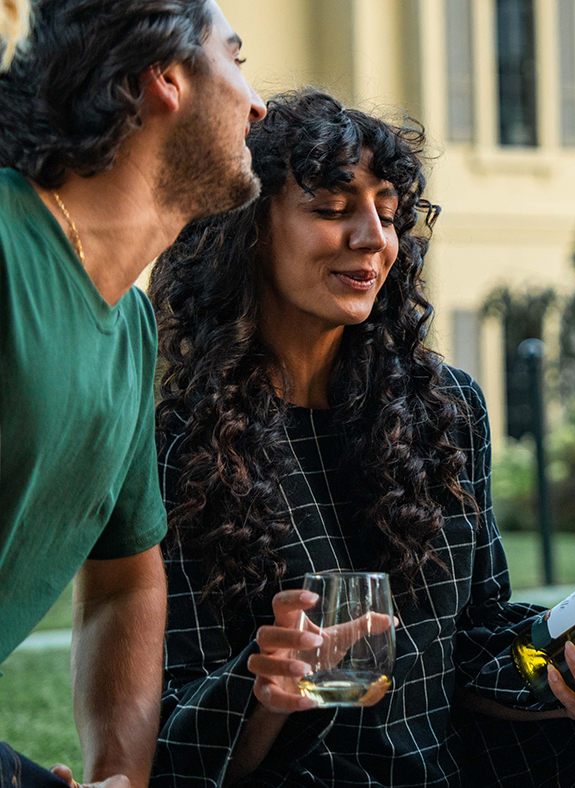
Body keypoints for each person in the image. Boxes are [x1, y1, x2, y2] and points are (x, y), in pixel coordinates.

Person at [148, 89, 575, 788]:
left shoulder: (446, 410)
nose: (372, 238)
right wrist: (264, 689)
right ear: (246, 227)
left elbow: (474, 642)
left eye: (389, 213)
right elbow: (168, 732)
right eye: (331, 208)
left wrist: (565, 674)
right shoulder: (178, 443)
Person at [0, 1, 266, 786]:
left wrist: (119, 774)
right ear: (163, 78)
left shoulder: (130, 328)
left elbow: (126, 578)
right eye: (235, 59)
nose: (258, 103)